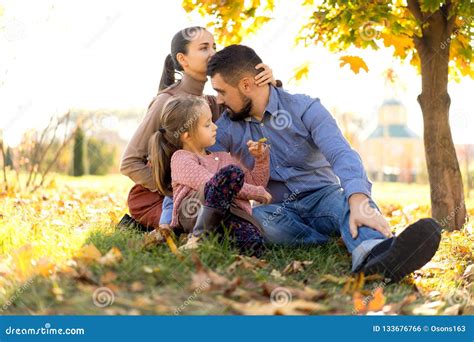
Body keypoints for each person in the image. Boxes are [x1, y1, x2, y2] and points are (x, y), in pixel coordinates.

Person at [206, 44, 441, 282]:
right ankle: (334, 238)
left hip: (323, 196)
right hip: (278, 209)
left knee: (348, 203)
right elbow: (207, 164)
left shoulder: (304, 108)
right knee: (258, 220)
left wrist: (358, 197)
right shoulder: (225, 127)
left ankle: (374, 254)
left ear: (246, 85)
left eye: (221, 92)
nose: (219, 100)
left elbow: (341, 153)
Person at [119, 26, 278, 230]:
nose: (213, 53)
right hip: (157, 198)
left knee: (230, 219)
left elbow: (254, 111)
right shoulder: (165, 102)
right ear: (183, 59)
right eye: (204, 48)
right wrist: (176, 188)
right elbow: (129, 163)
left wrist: (270, 85)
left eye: (214, 46)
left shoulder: (213, 103)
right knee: (212, 223)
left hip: (206, 192)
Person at [147, 95, 272, 256]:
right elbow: (209, 182)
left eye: (212, 121)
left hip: (230, 215)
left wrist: (261, 158)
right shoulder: (181, 159)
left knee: (254, 247)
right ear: (187, 135)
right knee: (231, 174)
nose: (215, 127)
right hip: (195, 212)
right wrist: (258, 194)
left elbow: (256, 183)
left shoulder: (225, 157)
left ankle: (214, 242)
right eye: (207, 124)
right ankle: (198, 237)